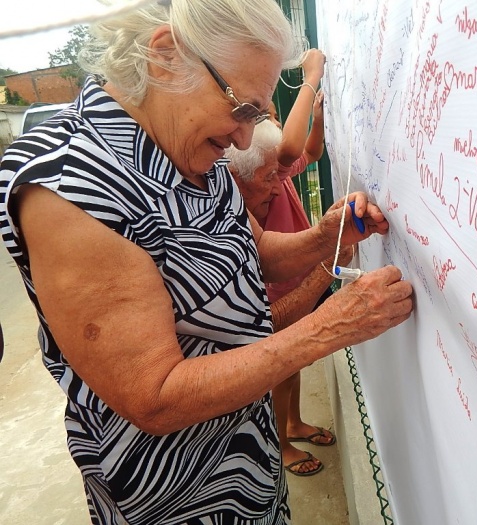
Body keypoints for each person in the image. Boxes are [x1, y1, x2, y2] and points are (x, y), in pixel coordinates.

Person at [0, 1, 413, 524]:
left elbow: (255, 252)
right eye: (244, 109)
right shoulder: (70, 181)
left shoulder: (189, 142)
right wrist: (328, 328)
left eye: (257, 115)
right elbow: (154, 396)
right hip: (174, 488)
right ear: (166, 57)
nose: (245, 138)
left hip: (247, 451)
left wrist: (326, 236)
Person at [226, 120, 350, 476]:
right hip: (278, 288)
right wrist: (310, 86)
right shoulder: (237, 202)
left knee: (292, 365)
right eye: (269, 178)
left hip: (293, 275)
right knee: (281, 367)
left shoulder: (267, 171)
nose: (277, 188)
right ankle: (281, 444)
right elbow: (294, 148)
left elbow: (306, 151)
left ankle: (292, 424)